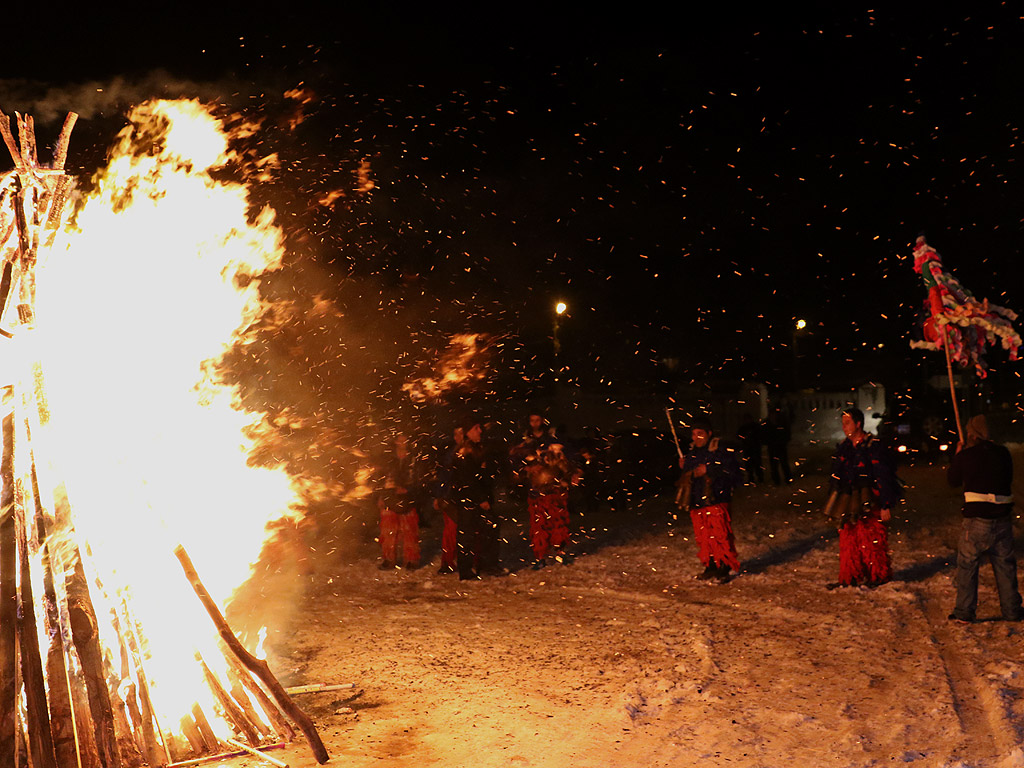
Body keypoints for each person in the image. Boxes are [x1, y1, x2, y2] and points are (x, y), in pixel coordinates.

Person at [947, 415, 1023, 623]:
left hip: (977, 520)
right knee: (1005, 565)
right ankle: (1012, 611)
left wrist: (958, 456)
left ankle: (964, 611)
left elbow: (952, 480)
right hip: (1002, 519)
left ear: (971, 434)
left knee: (968, 565)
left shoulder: (967, 455)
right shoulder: (1003, 453)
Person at [824, 407, 901, 588]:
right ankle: (849, 576)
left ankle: (878, 575)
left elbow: (883, 475)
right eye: (842, 423)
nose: (844, 426)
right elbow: (836, 476)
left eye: (847, 422)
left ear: (858, 424)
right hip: (848, 501)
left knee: (871, 538)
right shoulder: (844, 447)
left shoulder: (873, 446)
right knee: (848, 539)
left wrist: (886, 504)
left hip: (869, 499)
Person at [677, 416, 742, 583]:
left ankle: (725, 566)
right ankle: (711, 565)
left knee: (720, 534)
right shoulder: (692, 453)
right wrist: (685, 466)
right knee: (704, 536)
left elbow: (732, 470)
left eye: (700, 433)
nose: (695, 437)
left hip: (716, 498)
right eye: (693, 433)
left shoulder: (719, 448)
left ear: (709, 433)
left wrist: (709, 469)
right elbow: (689, 475)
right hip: (697, 501)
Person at [451, 420, 498, 580]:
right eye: (476, 428)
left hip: (477, 498)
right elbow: (468, 479)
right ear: (467, 432)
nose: (480, 431)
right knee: (467, 535)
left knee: (489, 529)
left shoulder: (477, 449)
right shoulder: (464, 453)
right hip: (469, 500)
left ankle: (487, 565)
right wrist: (481, 499)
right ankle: (466, 570)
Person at [524, 442, 580, 569]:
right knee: (539, 527)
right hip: (538, 497)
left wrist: (568, 479)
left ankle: (560, 553)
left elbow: (568, 471)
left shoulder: (559, 459)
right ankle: (540, 558)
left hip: (555, 496)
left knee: (558, 524)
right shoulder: (530, 450)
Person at [376, 433, 422, 570]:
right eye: (400, 439)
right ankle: (389, 559)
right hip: (390, 498)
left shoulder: (413, 459)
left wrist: (409, 489)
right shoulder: (389, 459)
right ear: (395, 441)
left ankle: (411, 560)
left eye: (405, 439)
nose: (403, 442)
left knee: (409, 531)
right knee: (388, 531)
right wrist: (380, 496)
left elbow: (419, 478)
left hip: (408, 498)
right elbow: (382, 479)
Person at [433, 426, 463, 575]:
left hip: (466, 498)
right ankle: (448, 562)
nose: (458, 437)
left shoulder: (473, 452)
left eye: (461, 434)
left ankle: (470, 561)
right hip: (450, 498)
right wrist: (439, 495)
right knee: (450, 532)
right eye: (455, 434)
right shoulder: (450, 455)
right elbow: (443, 476)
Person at [736, 413, 764, 484]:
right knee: (749, 464)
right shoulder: (743, 427)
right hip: (747, 448)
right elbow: (738, 436)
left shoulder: (755, 427)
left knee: (757, 463)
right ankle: (751, 478)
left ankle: (760, 477)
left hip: (755, 448)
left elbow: (760, 436)